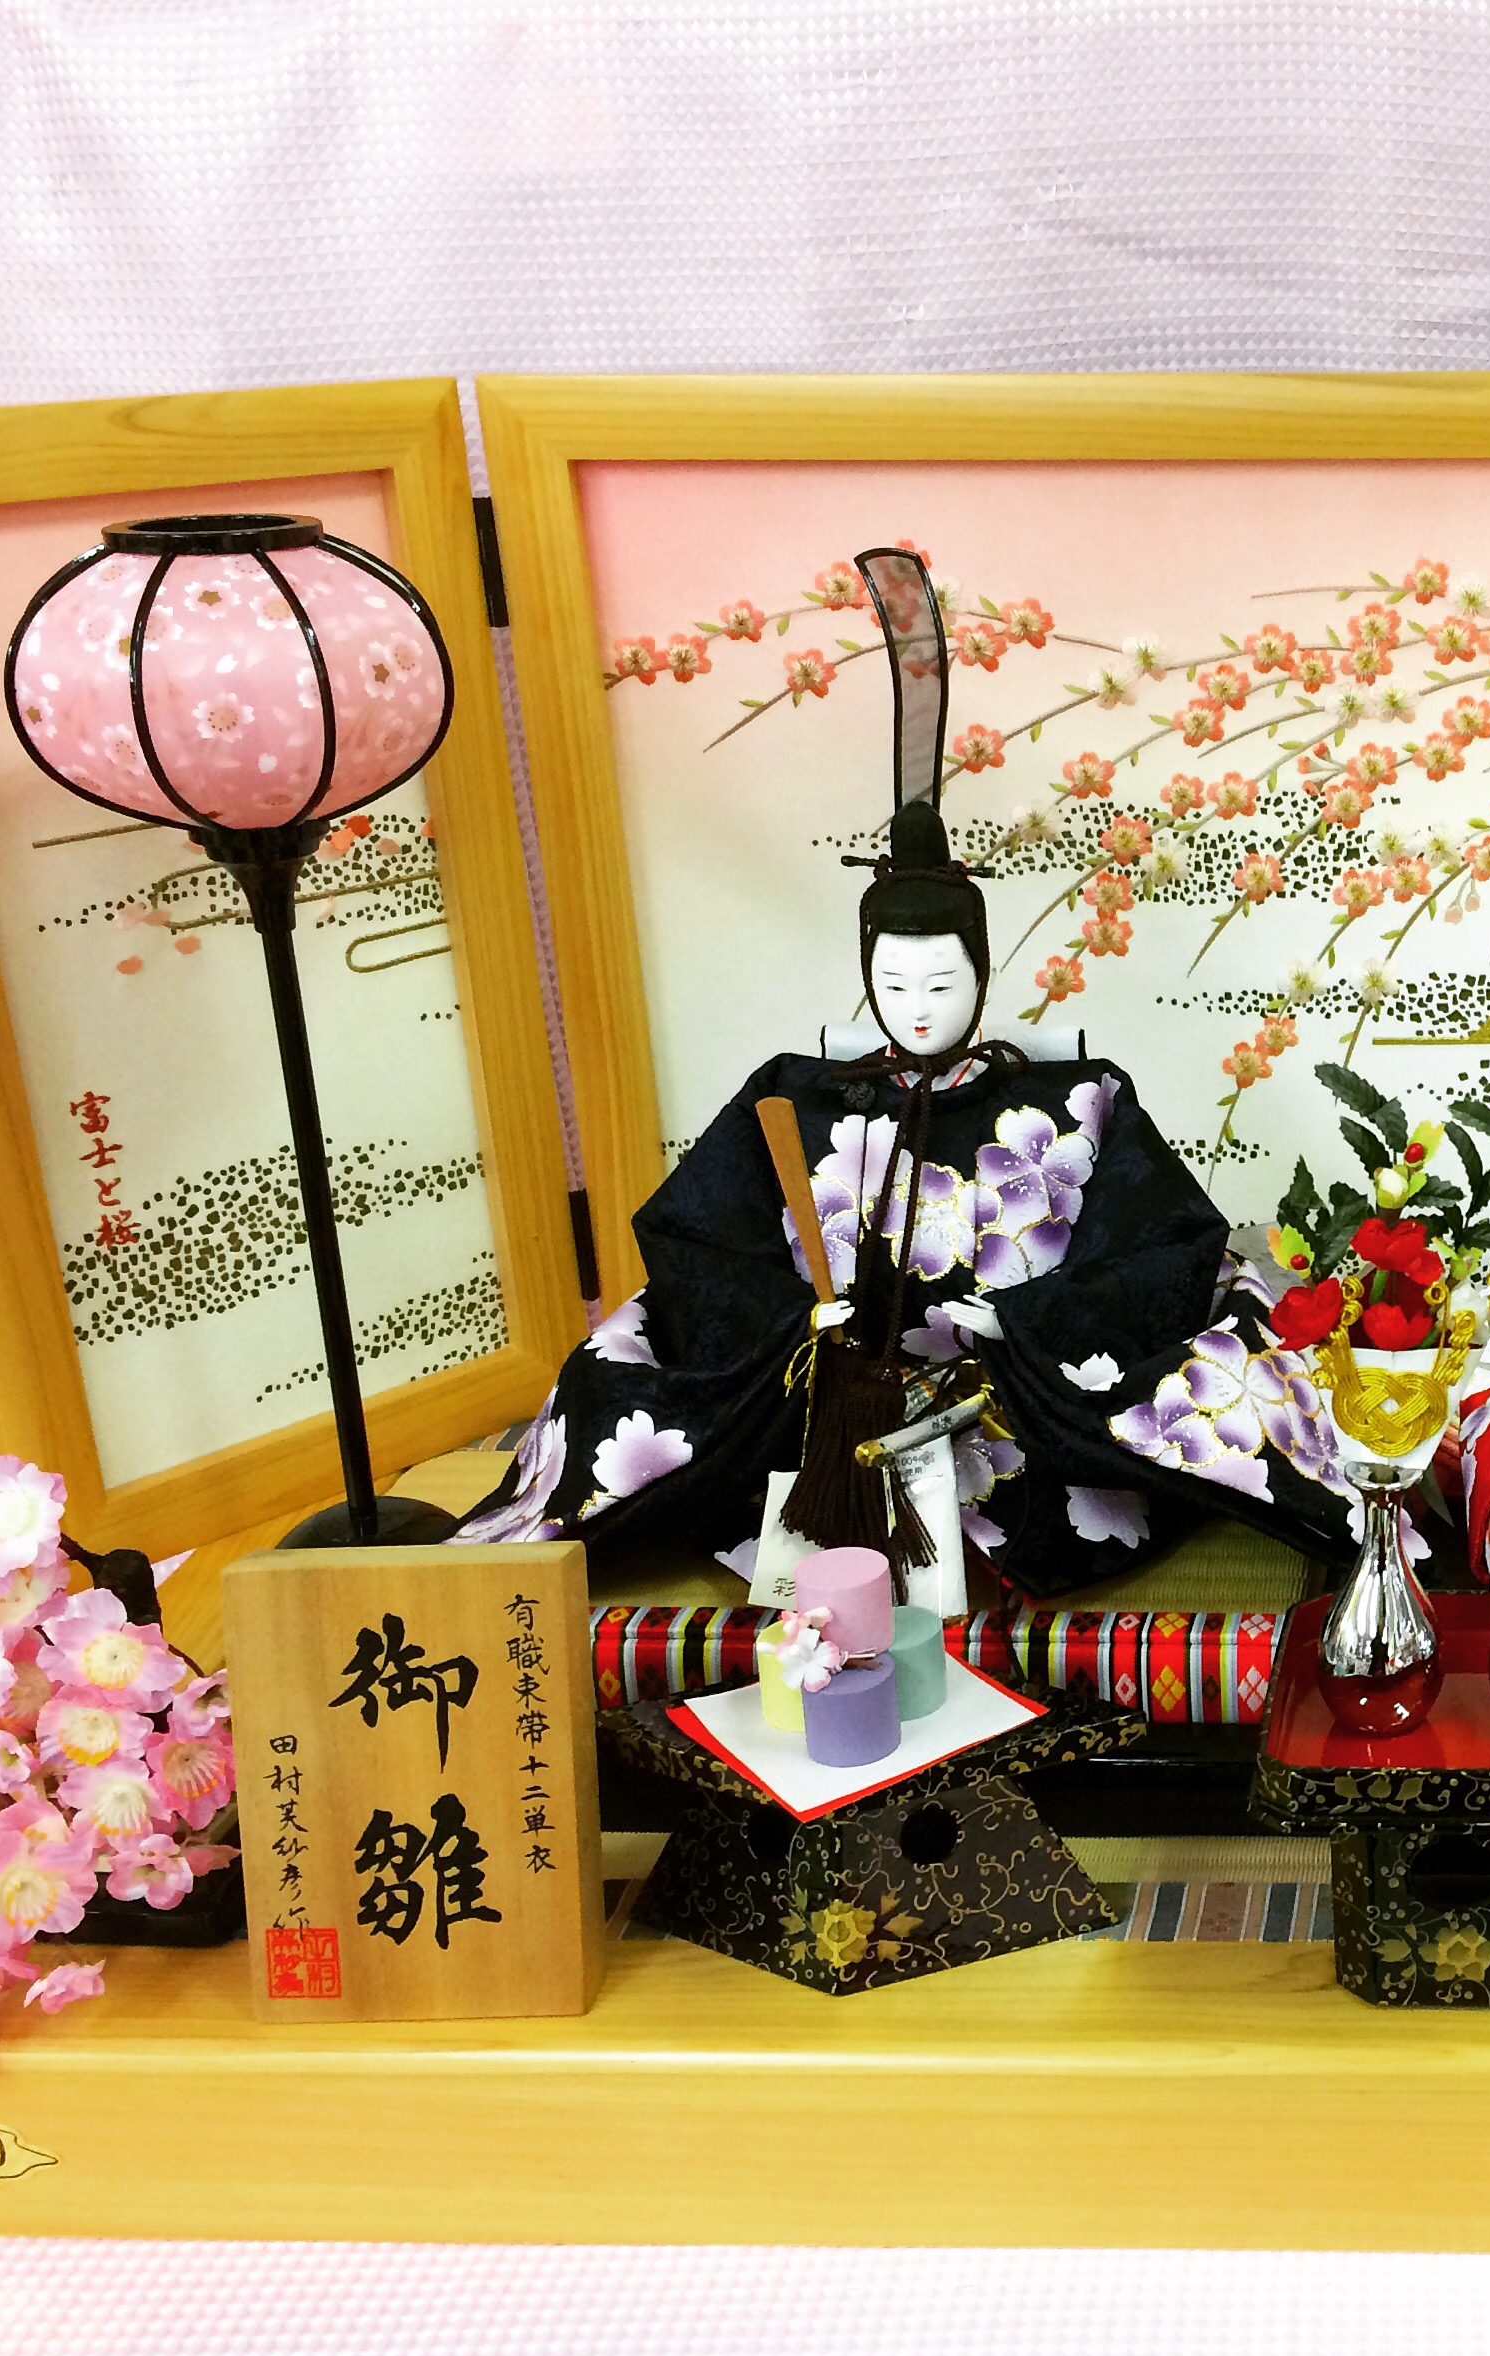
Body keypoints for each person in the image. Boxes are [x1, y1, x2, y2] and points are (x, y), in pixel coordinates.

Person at [455, 548, 1343, 1592]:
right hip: (812, 1415)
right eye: (895, 982)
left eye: (944, 982)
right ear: (866, 977)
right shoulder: (793, 1094)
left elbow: (1165, 1244)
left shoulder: (1075, 1097)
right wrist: (795, 1326)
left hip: (1024, 1414)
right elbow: (695, 1238)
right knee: (616, 1372)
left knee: (1235, 1351)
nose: (919, 1007)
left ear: (984, 973)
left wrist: (1030, 1323)